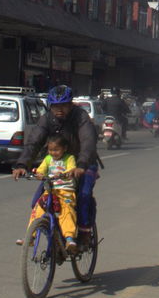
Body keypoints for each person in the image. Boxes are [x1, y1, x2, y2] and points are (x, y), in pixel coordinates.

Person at [12, 84, 101, 238]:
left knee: (83, 196)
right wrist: (22, 164)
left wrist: (81, 165)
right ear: (50, 106)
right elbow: (34, 142)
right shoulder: (46, 119)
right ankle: (54, 237)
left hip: (84, 164)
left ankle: (84, 232)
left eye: (64, 105)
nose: (59, 109)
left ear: (71, 104)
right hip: (57, 166)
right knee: (38, 202)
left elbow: (88, 141)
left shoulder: (81, 117)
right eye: (55, 106)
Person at [23, 134, 80, 254]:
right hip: (50, 190)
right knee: (37, 209)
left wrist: (66, 173)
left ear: (64, 148)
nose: (53, 152)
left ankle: (69, 239)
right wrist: (39, 174)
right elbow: (41, 169)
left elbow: (72, 168)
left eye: (56, 150)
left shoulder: (69, 158)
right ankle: (31, 237)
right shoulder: (48, 159)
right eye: (51, 150)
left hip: (65, 191)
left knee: (66, 211)